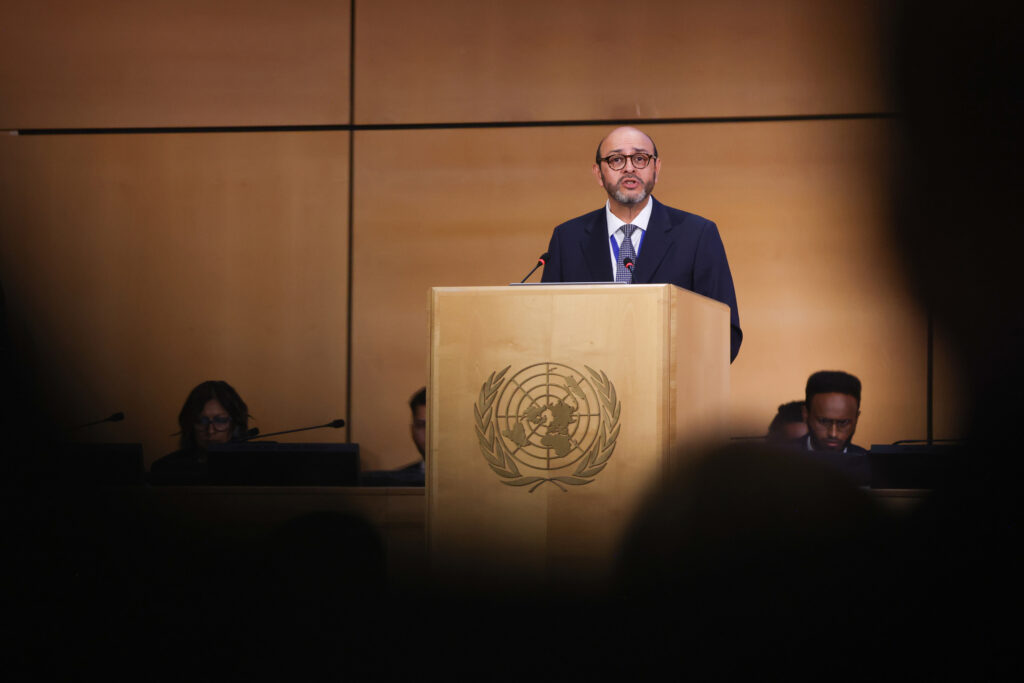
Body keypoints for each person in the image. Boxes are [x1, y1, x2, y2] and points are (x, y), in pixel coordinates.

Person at [541, 126, 742, 362]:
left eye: (640, 158)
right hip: (589, 390)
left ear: (656, 169)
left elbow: (725, 331)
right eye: (616, 159)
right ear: (598, 173)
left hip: (671, 390)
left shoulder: (697, 234)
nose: (629, 167)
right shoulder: (568, 239)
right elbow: (548, 327)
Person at [149, 380, 251, 484]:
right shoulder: (165, 470)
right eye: (201, 421)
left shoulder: (252, 470)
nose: (210, 431)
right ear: (189, 425)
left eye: (220, 420)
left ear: (236, 425)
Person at [793, 370, 867, 486]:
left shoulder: (870, 466)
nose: (833, 433)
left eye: (843, 423)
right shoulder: (779, 461)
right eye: (823, 421)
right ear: (805, 414)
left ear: (856, 418)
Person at [360, 387, 426, 486]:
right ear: (412, 430)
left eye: (439, 425)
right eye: (422, 425)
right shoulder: (394, 485)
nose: (430, 435)